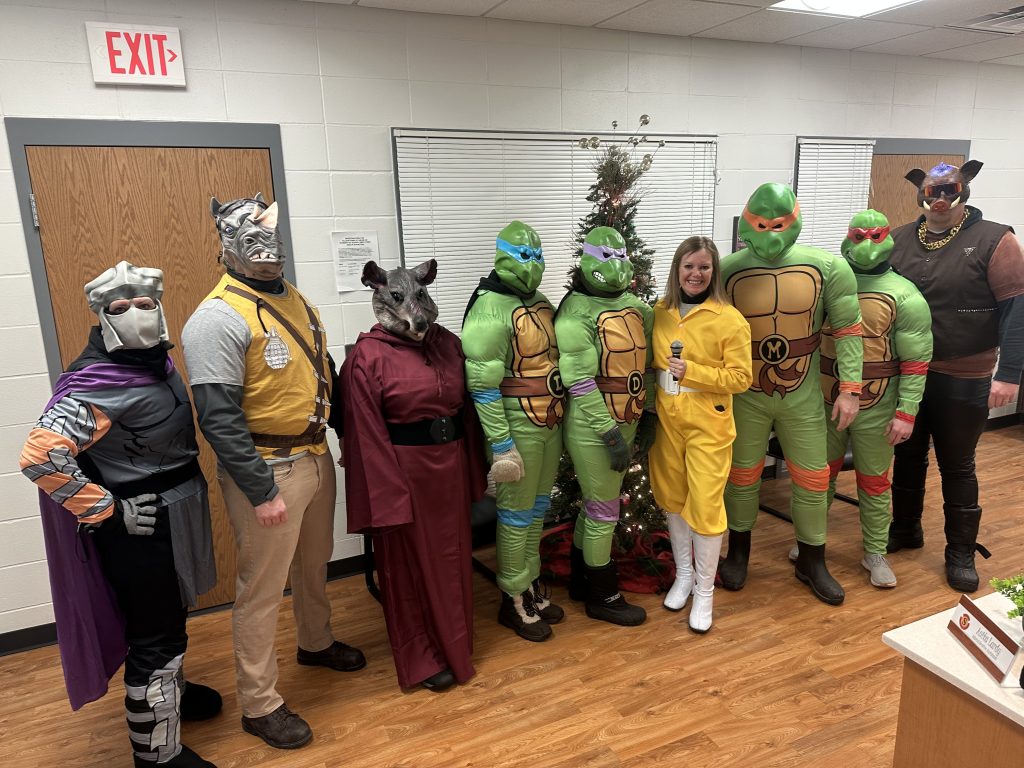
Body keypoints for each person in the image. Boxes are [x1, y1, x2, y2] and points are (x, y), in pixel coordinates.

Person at [182, 195, 365, 750]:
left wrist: (347, 439)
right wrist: (261, 491)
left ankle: (315, 641)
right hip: (267, 469)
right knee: (260, 590)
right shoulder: (215, 318)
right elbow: (216, 416)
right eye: (254, 237)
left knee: (314, 565)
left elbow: (320, 374)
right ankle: (259, 704)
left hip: (313, 457)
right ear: (228, 243)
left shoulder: (294, 298)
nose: (268, 251)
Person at [21, 261, 221, 768]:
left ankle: (170, 695)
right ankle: (157, 754)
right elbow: (39, 456)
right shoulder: (99, 381)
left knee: (171, 617)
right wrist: (109, 510)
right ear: (103, 318)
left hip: (176, 512)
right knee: (156, 635)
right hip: (141, 522)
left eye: (145, 304)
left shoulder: (154, 361)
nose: (136, 314)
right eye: (119, 307)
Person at [341, 259, 487, 692]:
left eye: (418, 295)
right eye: (403, 297)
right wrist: (388, 494)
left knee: (452, 560)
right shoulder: (369, 355)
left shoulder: (447, 344)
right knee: (409, 567)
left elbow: (468, 411)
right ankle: (422, 657)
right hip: (404, 473)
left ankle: (456, 644)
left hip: (449, 467)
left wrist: (476, 468)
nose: (414, 306)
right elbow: (365, 434)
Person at [719, 183, 863, 606]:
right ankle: (738, 552)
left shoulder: (830, 268)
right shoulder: (726, 269)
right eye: (761, 224)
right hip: (745, 387)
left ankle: (812, 559)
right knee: (742, 474)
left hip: (802, 391)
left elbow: (850, 331)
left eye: (778, 223)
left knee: (814, 478)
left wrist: (850, 389)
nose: (771, 233)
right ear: (748, 222)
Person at [888, 161, 1024, 591]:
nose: (940, 200)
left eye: (949, 191)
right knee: (907, 455)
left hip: (965, 372)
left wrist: (1011, 375)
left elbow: (1017, 310)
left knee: (958, 465)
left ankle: (960, 552)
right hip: (909, 372)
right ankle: (906, 528)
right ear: (921, 195)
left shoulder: (995, 240)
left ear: (963, 191)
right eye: (932, 192)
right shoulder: (900, 238)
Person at [815, 210, 932, 589]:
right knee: (818, 478)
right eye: (859, 235)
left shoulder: (905, 295)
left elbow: (916, 360)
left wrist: (906, 412)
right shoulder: (826, 285)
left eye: (875, 236)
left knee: (875, 482)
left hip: (879, 404)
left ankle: (875, 551)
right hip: (824, 397)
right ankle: (811, 544)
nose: (866, 245)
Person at [463, 221, 565, 642]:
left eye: (538, 255)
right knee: (516, 516)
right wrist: (503, 446)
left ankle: (530, 583)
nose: (533, 263)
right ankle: (513, 595)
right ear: (502, 254)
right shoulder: (489, 307)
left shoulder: (539, 301)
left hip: (548, 422)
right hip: (518, 427)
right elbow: (482, 385)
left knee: (537, 512)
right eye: (524, 255)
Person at [648, 237, 751, 633]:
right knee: (672, 498)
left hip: (709, 421)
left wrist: (695, 373)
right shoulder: (660, 312)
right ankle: (684, 576)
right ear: (677, 269)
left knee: (706, 505)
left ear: (714, 272)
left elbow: (742, 378)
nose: (696, 274)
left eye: (704, 267)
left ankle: (705, 592)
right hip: (668, 420)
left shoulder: (729, 318)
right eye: (689, 266)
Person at [555, 226, 656, 627]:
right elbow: (578, 380)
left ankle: (583, 578)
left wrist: (647, 416)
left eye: (620, 256)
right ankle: (603, 594)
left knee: (597, 503)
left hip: (628, 416)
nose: (614, 265)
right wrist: (609, 433)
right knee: (603, 510)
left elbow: (647, 365)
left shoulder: (636, 306)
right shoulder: (575, 312)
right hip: (594, 425)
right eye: (605, 256)